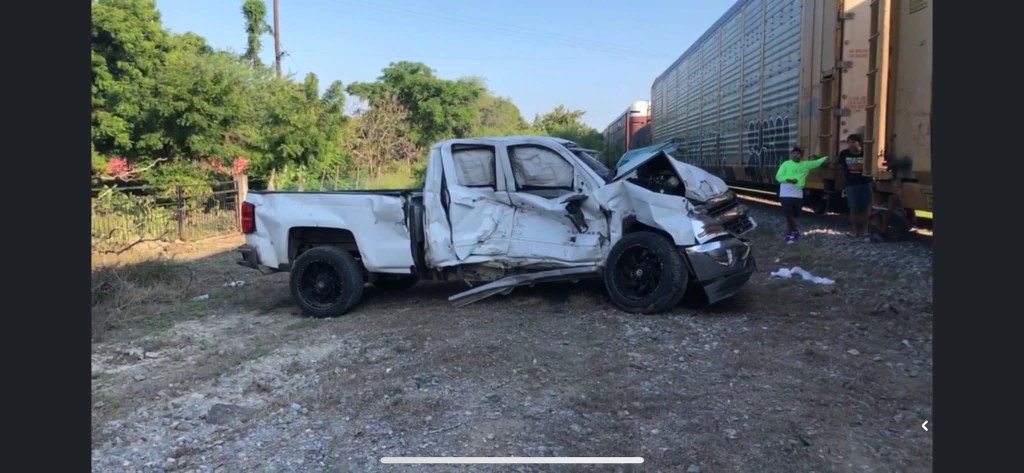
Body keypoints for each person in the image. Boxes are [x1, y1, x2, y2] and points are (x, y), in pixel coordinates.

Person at [775, 146, 829, 243]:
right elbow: (778, 176)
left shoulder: (805, 165)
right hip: (785, 193)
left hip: (797, 194)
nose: (795, 155)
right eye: (794, 153)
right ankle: (795, 231)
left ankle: (790, 232)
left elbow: (816, 163)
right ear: (791, 154)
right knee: (788, 215)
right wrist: (788, 180)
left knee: (794, 215)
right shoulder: (786, 164)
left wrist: (826, 157)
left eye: (798, 154)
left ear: (801, 155)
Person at [837, 134, 872, 237]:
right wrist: (845, 180)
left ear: (859, 143)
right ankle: (855, 231)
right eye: (849, 142)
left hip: (865, 183)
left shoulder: (866, 153)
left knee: (865, 208)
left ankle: (865, 230)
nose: (850, 144)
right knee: (853, 209)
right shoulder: (844, 153)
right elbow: (841, 167)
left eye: (853, 142)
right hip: (851, 184)